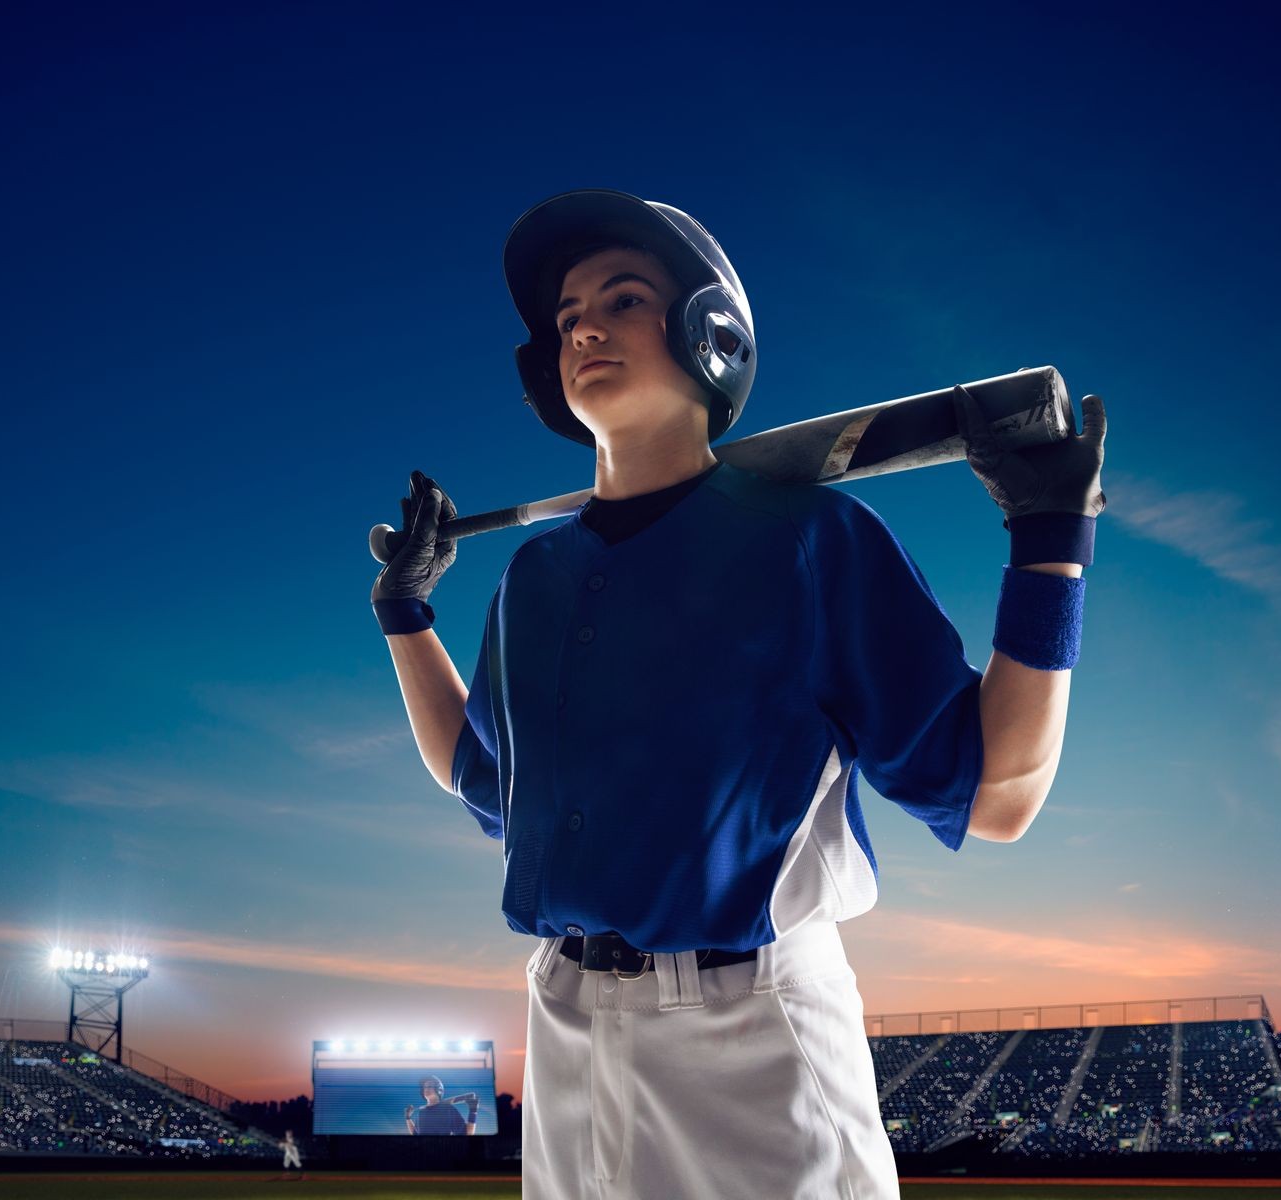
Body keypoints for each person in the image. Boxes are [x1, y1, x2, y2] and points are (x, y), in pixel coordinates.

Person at [371, 190, 1107, 1199]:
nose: (584, 323)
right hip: (563, 1027)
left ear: (707, 332)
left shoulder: (809, 541)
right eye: (568, 314)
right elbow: (475, 773)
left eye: (623, 298)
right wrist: (406, 613)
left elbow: (996, 794)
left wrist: (1051, 544)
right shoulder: (531, 580)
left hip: (749, 1034)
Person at [404, 1075, 477, 1136]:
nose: (426, 1089)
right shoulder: (421, 1113)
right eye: (424, 1087)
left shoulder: (448, 1110)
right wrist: (408, 1118)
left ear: (438, 1089)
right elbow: (415, 1133)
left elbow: (467, 1133)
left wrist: (473, 1111)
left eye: (429, 1086)